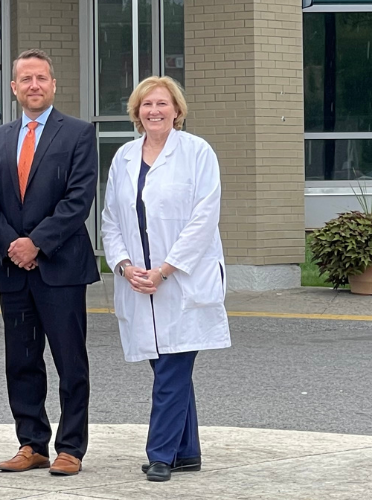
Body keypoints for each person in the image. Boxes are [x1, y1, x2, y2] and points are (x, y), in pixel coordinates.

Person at [98, 76, 230, 482]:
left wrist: (165, 269)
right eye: (146, 104)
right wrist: (123, 265)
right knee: (166, 368)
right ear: (136, 112)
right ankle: (187, 451)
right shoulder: (123, 157)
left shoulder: (197, 153)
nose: (154, 111)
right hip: (139, 282)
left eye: (162, 103)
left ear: (177, 110)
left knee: (173, 367)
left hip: (182, 280)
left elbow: (204, 219)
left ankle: (160, 454)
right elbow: (110, 220)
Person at [0, 49, 99, 477]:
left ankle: (71, 447)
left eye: (41, 78)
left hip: (61, 268)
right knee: (22, 361)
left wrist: (38, 243)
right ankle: (32, 444)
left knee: (70, 362)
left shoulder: (79, 133)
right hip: (14, 270)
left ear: (53, 84)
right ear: (13, 88)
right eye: (25, 79)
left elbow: (79, 199)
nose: (34, 85)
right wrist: (14, 244)